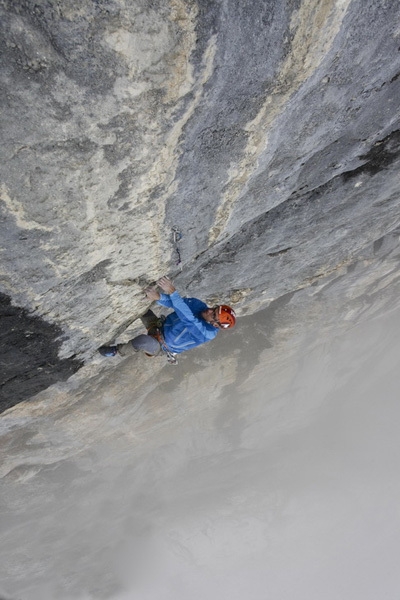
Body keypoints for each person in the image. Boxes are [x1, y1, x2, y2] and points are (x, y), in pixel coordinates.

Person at [99, 276, 236, 364]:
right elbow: (176, 304)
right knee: (142, 309)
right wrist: (158, 297)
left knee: (142, 341)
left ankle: (117, 351)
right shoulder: (198, 305)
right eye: (214, 308)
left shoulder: (207, 333)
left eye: (213, 315)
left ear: (215, 324)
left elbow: (188, 319)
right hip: (159, 327)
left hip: (162, 347)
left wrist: (172, 291)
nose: (210, 310)